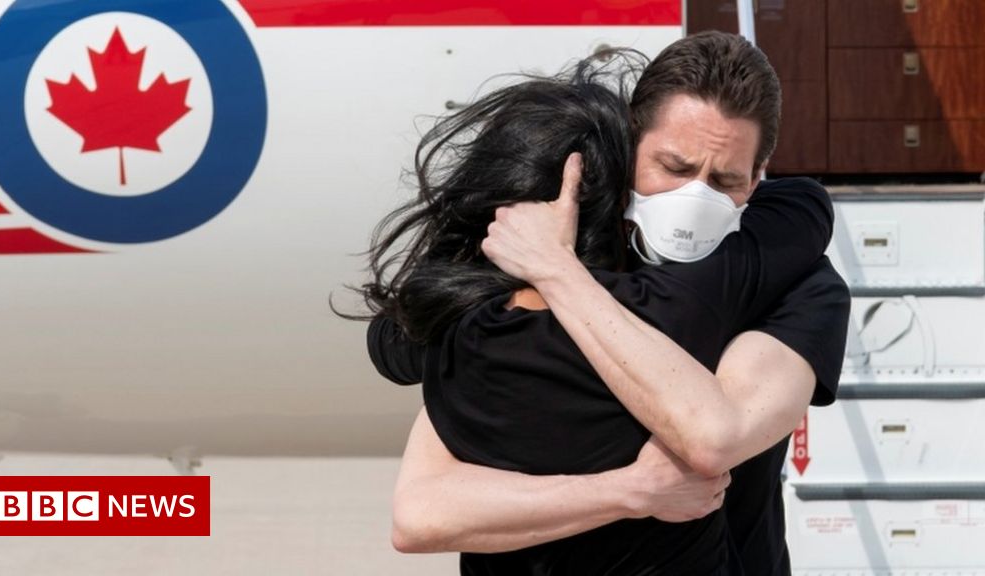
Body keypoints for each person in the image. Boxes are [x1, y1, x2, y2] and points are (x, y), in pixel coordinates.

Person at [361, 32, 850, 575]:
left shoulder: (799, 286)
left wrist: (556, 271)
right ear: (629, 147)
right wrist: (628, 491)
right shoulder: (542, 275)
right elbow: (422, 513)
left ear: (757, 179)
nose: (695, 196)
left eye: (725, 180)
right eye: (675, 167)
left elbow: (715, 438)